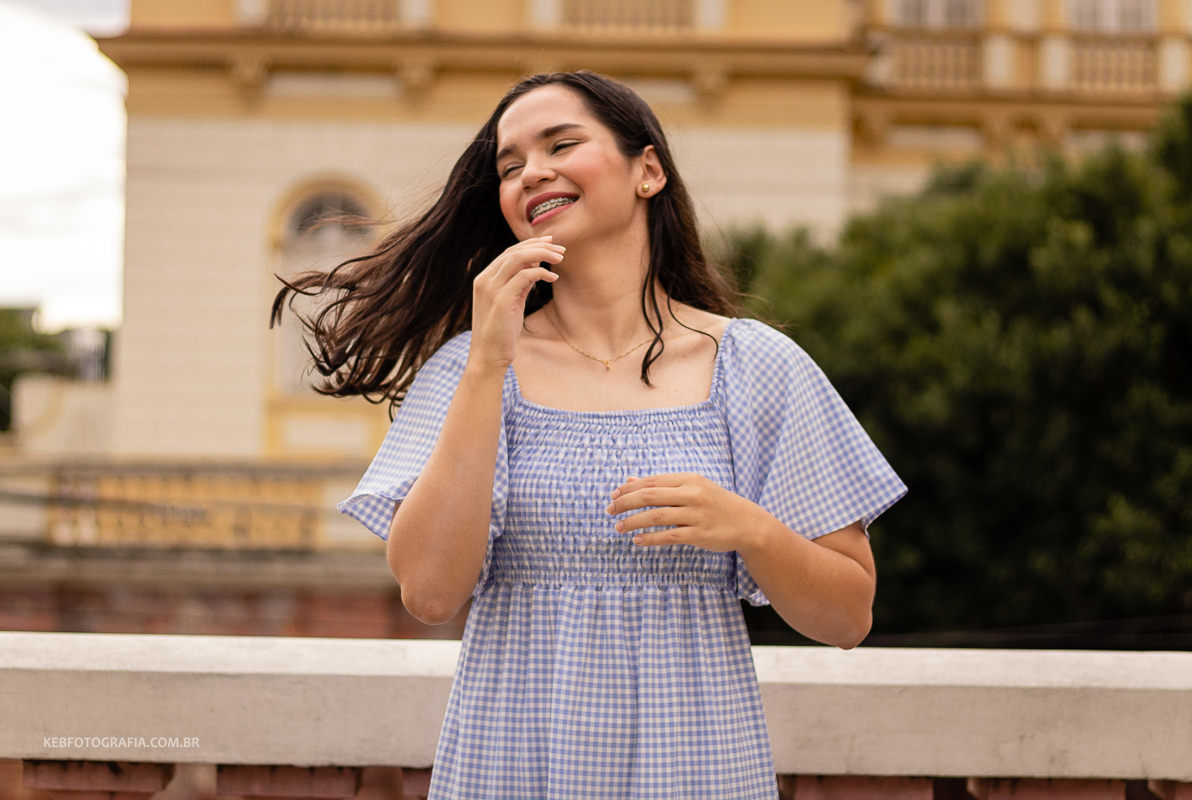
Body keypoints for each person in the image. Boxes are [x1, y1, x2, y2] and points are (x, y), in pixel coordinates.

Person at [272, 70, 906, 800]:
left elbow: (849, 615)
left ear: (648, 170)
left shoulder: (756, 365)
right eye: (509, 166)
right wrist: (486, 361)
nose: (530, 172)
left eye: (561, 144)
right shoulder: (470, 367)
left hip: (697, 768)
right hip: (513, 762)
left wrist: (750, 530)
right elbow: (429, 591)